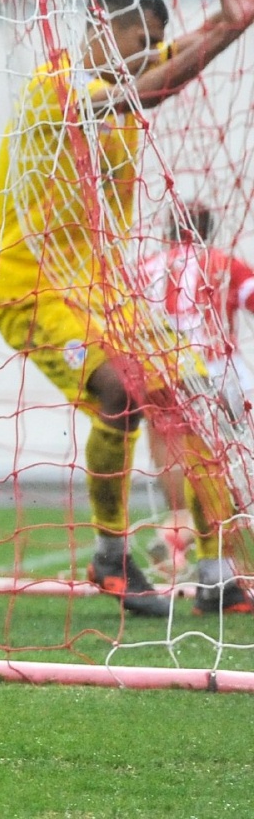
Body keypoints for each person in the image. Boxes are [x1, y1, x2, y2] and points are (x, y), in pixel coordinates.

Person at [0, 0, 254, 618]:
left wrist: (227, 18)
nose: (146, 51)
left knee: (193, 392)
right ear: (103, 28)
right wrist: (230, 32)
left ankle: (218, 571)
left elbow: (179, 51)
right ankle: (111, 556)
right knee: (123, 391)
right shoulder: (61, 87)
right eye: (139, 39)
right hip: (32, 292)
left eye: (152, 41)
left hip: (105, 291)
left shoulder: (124, 69)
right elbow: (155, 89)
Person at [139, 202, 254, 582]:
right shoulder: (223, 264)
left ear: (170, 229)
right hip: (217, 377)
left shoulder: (147, 268)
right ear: (209, 230)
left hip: (161, 375)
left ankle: (174, 537)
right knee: (226, 470)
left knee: (174, 463)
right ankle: (197, 545)